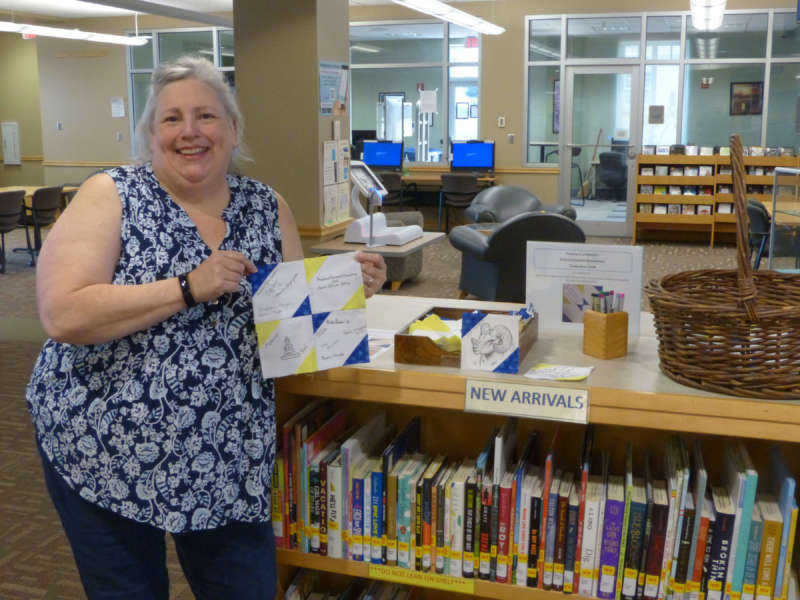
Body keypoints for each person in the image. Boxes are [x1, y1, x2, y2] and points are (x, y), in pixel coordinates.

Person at [26, 55, 386, 600]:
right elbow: (63, 313)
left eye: (206, 116)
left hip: (226, 455)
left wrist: (345, 292)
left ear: (233, 130)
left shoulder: (268, 206)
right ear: (150, 133)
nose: (190, 132)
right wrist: (187, 286)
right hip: (103, 449)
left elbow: (291, 338)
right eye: (171, 119)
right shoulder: (112, 194)